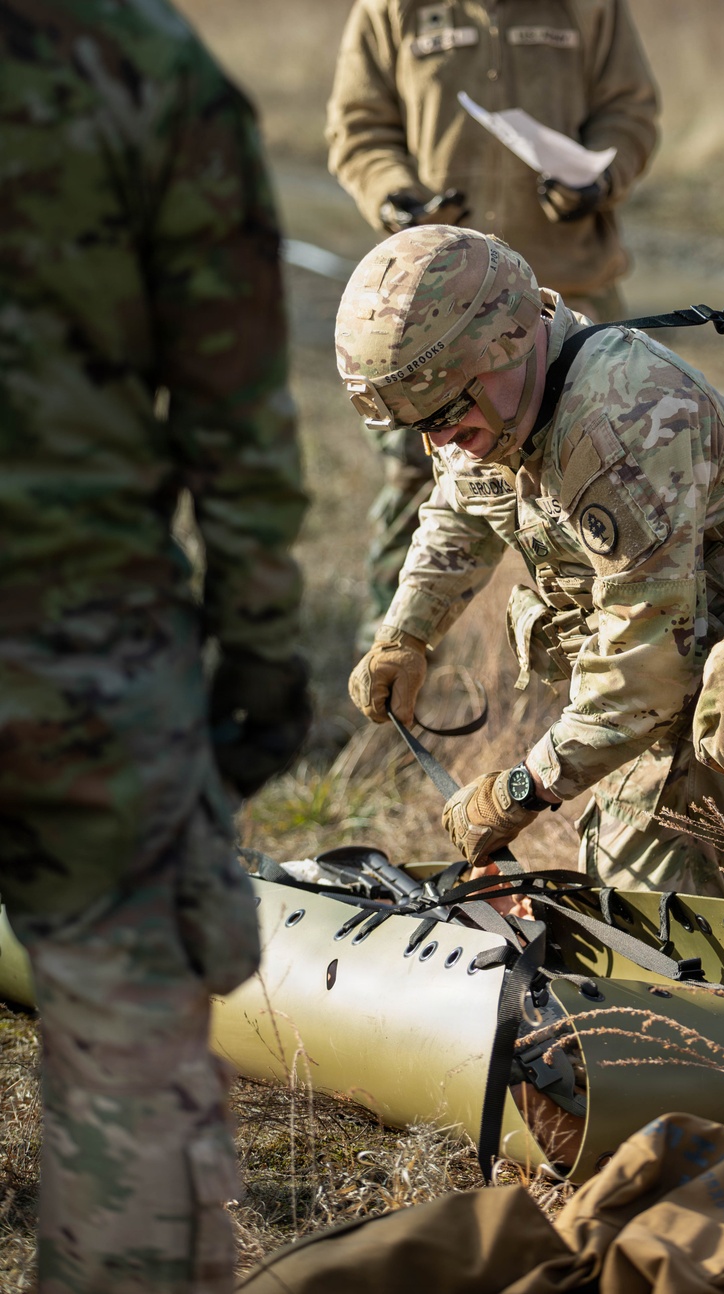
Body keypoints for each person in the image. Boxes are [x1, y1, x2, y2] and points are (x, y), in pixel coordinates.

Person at [339, 224, 724, 1117]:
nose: (446, 437)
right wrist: (406, 633)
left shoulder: (618, 412)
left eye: (448, 413)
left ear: (507, 343)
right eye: (422, 424)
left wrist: (522, 789)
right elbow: (458, 507)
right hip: (681, 695)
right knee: (675, 963)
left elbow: (644, 665)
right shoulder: (485, 407)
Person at [0, 2, 311, 1290]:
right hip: (82, 644)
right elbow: (235, 406)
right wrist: (260, 644)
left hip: (84, 634)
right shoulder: (141, 62)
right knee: (128, 1056)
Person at [325, 0, 660, 649]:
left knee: (612, 481)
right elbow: (358, 127)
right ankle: (399, 669)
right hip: (430, 317)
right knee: (421, 486)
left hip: (566, 297)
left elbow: (633, 111)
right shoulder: (392, 9)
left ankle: (626, 663)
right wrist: (396, 195)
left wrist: (599, 177)